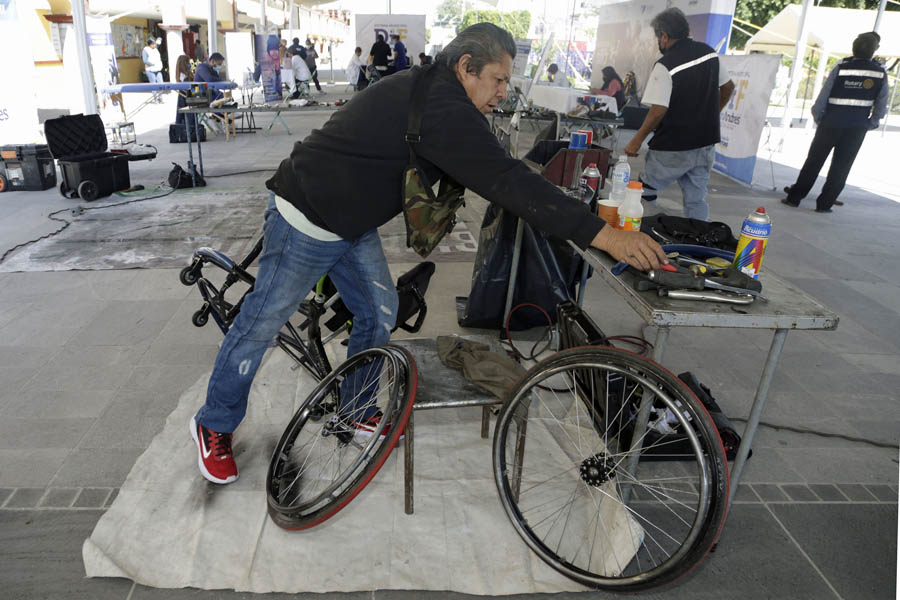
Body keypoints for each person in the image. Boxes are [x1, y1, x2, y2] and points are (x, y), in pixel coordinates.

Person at [188, 22, 667, 485]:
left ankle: (355, 407)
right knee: (261, 324)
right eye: (499, 79)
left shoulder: (434, 88)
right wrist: (604, 235)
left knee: (379, 312)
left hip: (350, 223)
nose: (504, 92)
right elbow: (508, 181)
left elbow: (497, 169)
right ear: (465, 68)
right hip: (307, 218)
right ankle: (214, 424)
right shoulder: (443, 106)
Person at [624, 7, 734, 221]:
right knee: (696, 200)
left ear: (664, 36)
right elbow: (728, 87)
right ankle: (699, 241)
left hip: (673, 145)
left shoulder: (666, 65)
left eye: (658, 37)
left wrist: (636, 140)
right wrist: (711, 115)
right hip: (705, 143)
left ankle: (643, 235)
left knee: (645, 191)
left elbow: (658, 111)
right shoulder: (710, 53)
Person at [782, 32, 888, 213]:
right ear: (875, 50)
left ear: (853, 48)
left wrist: (819, 117)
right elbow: (882, 103)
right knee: (841, 167)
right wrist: (871, 123)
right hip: (856, 127)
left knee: (814, 161)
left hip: (830, 123)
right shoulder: (880, 73)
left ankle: (795, 198)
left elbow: (824, 95)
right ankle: (824, 205)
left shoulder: (841, 68)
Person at [142, 37, 164, 103]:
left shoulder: (155, 48)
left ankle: (160, 98)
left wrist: (159, 39)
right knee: (153, 85)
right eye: (153, 44)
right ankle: (155, 98)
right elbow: (145, 60)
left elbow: (160, 40)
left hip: (158, 69)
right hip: (150, 70)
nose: (155, 45)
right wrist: (152, 64)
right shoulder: (145, 50)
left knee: (161, 83)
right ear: (150, 44)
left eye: (155, 43)